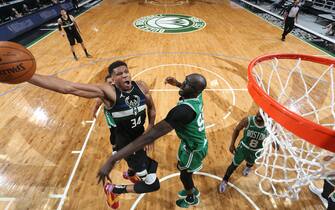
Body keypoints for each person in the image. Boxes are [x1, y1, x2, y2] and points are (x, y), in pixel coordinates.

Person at [26, 61, 158, 208]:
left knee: (144, 163)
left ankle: (130, 173)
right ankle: (113, 190)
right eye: (119, 74)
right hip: (127, 145)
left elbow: (151, 108)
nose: (125, 75)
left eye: (126, 71)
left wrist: (150, 129)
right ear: (112, 79)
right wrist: (27, 76)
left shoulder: (141, 86)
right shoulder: (109, 93)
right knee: (151, 183)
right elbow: (68, 88)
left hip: (140, 138)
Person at [97, 74, 208, 208]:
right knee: (176, 167)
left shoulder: (182, 111)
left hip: (193, 149)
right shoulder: (197, 96)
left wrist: (113, 158)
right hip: (187, 144)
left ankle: (191, 197)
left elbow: (150, 136)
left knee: (184, 175)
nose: (183, 84)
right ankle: (130, 174)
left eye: (187, 84)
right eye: (184, 81)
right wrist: (177, 83)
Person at [218, 111, 269, 193]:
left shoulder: (269, 127)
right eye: (259, 111)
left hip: (256, 151)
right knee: (233, 165)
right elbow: (237, 129)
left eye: (263, 113)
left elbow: (274, 141)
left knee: (251, 162)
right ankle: (225, 180)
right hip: (243, 148)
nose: (259, 114)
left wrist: (276, 145)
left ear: (268, 117)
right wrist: (232, 144)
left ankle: (248, 167)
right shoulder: (248, 120)